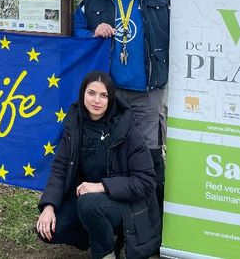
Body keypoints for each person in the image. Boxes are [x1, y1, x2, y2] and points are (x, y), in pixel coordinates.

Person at [73, 0, 169, 208]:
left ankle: (153, 215)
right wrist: (92, 33)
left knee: (149, 154)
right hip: (108, 94)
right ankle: (112, 211)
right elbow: (73, 29)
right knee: (109, 151)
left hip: (148, 93)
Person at [36, 71, 161, 259]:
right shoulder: (75, 125)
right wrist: (48, 206)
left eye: (104, 95)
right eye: (91, 93)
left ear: (111, 99)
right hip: (90, 202)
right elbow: (60, 169)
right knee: (50, 229)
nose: (97, 100)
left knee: (88, 203)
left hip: (127, 206)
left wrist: (101, 186)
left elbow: (146, 181)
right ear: (82, 94)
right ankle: (100, 234)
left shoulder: (126, 130)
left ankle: (106, 253)